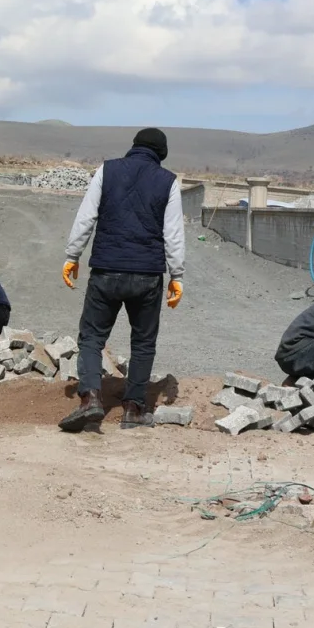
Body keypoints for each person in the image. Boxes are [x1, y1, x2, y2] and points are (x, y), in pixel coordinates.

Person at [58, 127, 186, 433]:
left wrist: (72, 255)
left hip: (106, 270)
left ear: (134, 146)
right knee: (143, 343)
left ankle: (90, 399)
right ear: (162, 154)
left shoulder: (108, 170)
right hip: (147, 276)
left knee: (92, 337)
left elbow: (86, 217)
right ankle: (134, 410)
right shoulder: (168, 181)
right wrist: (177, 275)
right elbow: (173, 234)